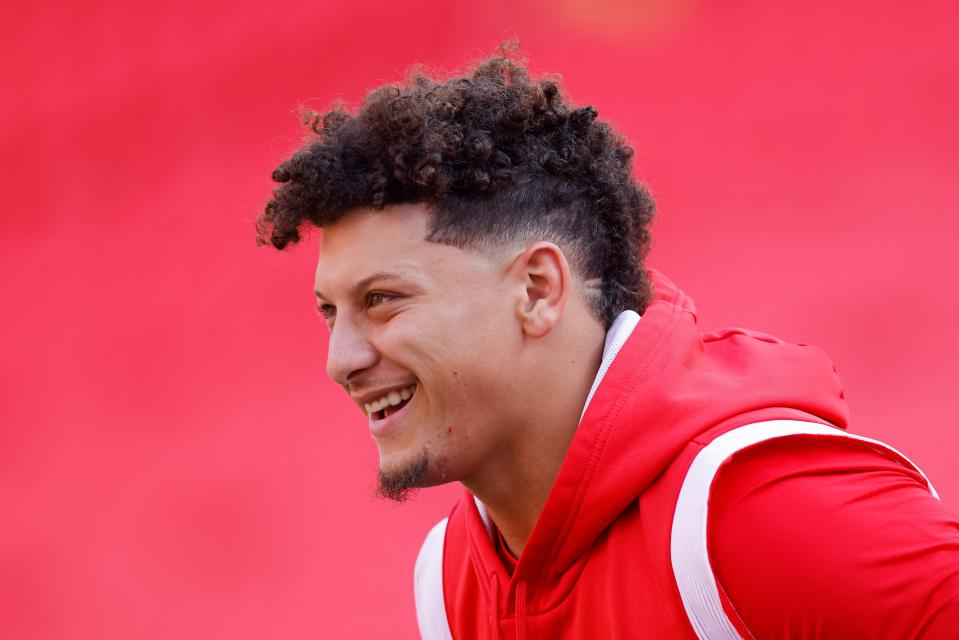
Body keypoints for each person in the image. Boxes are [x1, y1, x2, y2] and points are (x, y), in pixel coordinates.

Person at [256, 50, 959, 639]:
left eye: (382, 301)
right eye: (330, 312)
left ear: (536, 290)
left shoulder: (751, 513)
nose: (342, 359)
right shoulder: (450, 585)